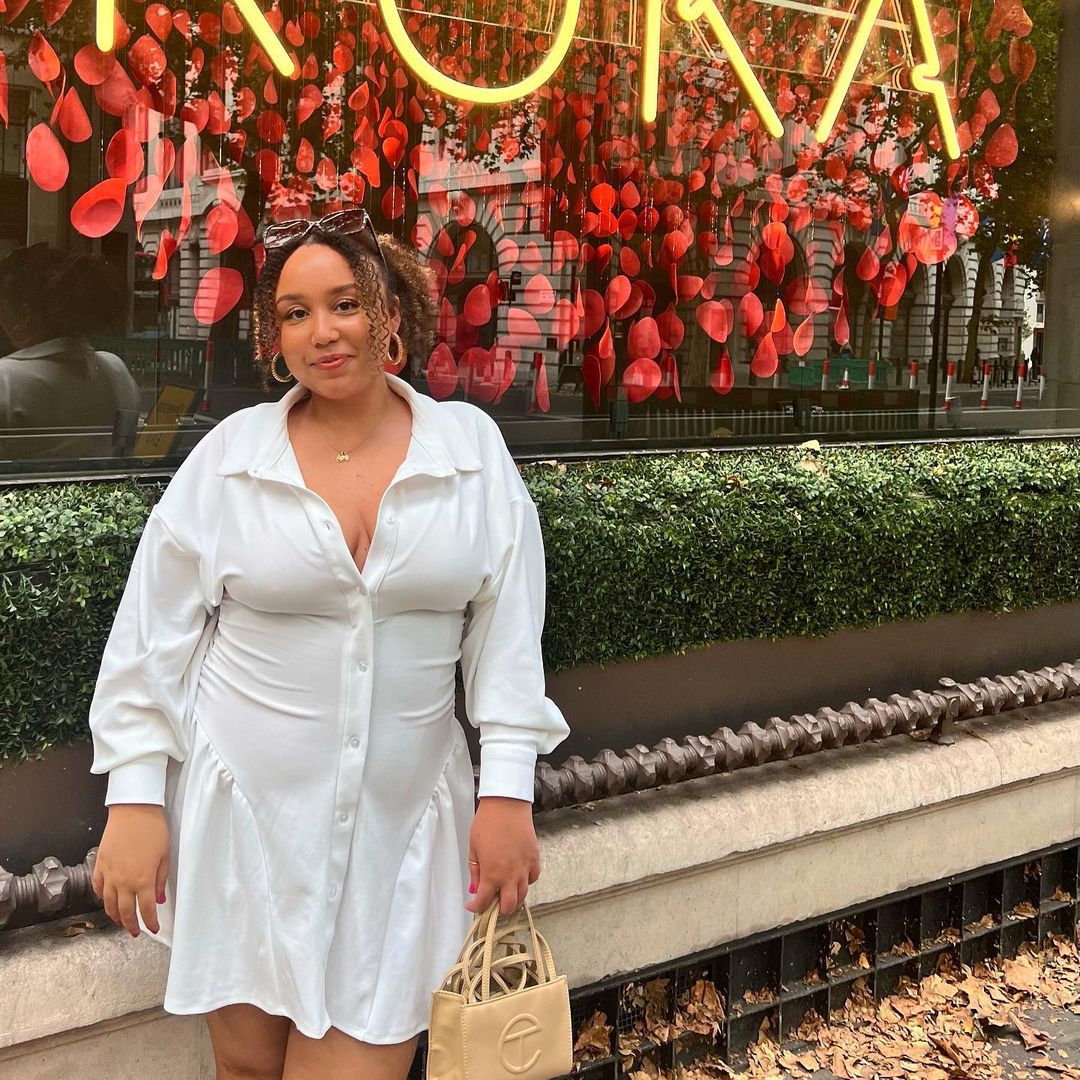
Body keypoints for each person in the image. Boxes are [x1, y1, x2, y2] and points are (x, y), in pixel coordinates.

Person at [87, 208, 570, 1080]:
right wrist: (133, 799)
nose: (323, 332)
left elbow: (507, 634)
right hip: (245, 828)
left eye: (345, 304)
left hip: (401, 834)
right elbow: (152, 637)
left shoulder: (470, 453)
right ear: (275, 339)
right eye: (296, 313)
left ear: (390, 313)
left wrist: (508, 791)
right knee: (245, 1069)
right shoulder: (232, 459)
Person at [0, 244, 140, 461]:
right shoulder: (116, 371)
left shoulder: (6, 379)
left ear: (24, 315)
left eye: (3, 310)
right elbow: (125, 451)